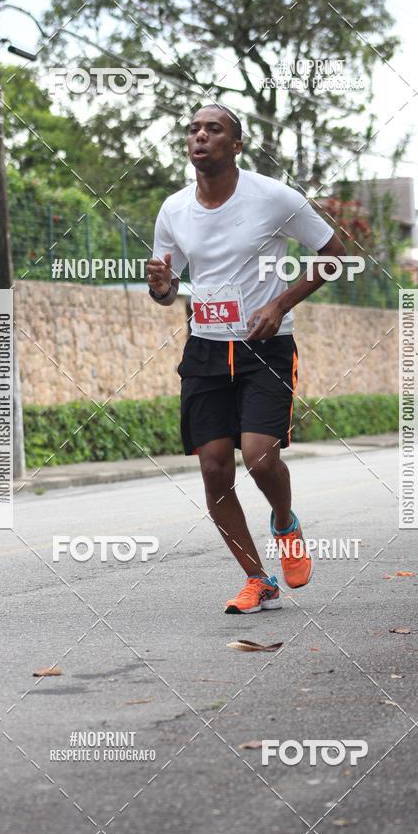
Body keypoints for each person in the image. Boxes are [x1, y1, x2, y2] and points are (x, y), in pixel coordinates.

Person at [147, 104, 345, 614]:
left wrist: (280, 303)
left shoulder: (274, 197)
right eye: (193, 129)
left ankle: (284, 521)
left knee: (259, 456)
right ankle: (258, 580)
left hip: (266, 347)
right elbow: (168, 289)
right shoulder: (174, 208)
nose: (200, 136)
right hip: (206, 348)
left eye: (213, 129)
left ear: (235, 145)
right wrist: (163, 288)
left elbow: (335, 254)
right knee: (214, 468)